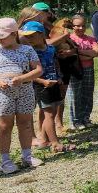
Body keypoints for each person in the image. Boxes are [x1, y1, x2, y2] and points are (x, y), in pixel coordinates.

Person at [0, 17, 43, 174]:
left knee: (25, 123)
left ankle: (27, 156)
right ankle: (5, 160)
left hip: (25, 91)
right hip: (3, 93)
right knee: (4, 126)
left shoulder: (27, 50)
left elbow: (38, 70)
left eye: (3, 36)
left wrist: (22, 78)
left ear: (14, 34)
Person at [21, 20, 68, 153]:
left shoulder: (51, 48)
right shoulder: (29, 52)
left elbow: (55, 63)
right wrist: (42, 81)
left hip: (54, 83)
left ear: (41, 34)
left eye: (32, 36)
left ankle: (44, 139)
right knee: (49, 114)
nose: (28, 39)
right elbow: (27, 72)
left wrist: (59, 77)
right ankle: (55, 142)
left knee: (52, 112)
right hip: (41, 86)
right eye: (27, 36)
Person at [68, 13, 98, 129]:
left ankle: (86, 118)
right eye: (77, 25)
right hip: (74, 70)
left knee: (87, 93)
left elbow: (97, 52)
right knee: (75, 95)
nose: (80, 28)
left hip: (88, 69)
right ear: (72, 26)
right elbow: (71, 56)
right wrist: (88, 55)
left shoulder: (91, 39)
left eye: (82, 25)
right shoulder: (69, 39)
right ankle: (75, 121)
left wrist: (78, 52)